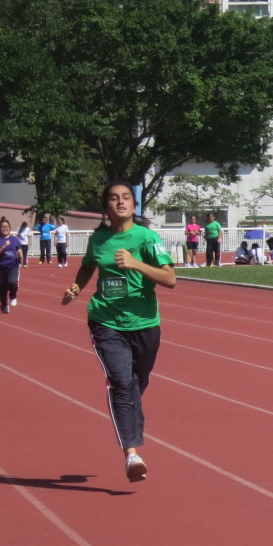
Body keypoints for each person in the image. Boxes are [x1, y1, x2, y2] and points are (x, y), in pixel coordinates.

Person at [61, 180, 177, 482]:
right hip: (105, 320)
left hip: (144, 323)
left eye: (126, 197)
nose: (121, 202)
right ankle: (132, 455)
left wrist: (136, 264)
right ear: (106, 206)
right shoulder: (98, 239)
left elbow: (169, 279)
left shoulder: (147, 238)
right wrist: (77, 287)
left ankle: (127, 413)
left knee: (138, 383)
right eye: (114, 198)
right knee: (122, 382)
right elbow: (88, 266)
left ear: (134, 205)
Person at [0, 217, 23, 312]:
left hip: (12, 266)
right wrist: (4, 246)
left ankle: (13, 296)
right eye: (3, 227)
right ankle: (4, 305)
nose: (5, 229)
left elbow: (19, 248)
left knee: (12, 282)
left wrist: (20, 255)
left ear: (9, 228)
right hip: (0, 268)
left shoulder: (14, 239)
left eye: (7, 227)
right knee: (1, 289)